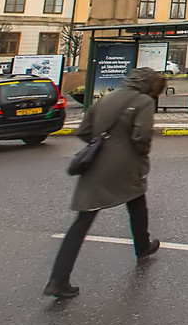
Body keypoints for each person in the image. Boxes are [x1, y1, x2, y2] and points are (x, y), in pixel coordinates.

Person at [44, 68, 167, 300]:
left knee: (83, 220)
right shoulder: (143, 102)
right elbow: (141, 137)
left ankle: (58, 280)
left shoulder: (107, 97)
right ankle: (142, 247)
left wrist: (102, 144)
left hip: (96, 166)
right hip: (126, 166)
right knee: (137, 203)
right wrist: (139, 153)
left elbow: (84, 130)